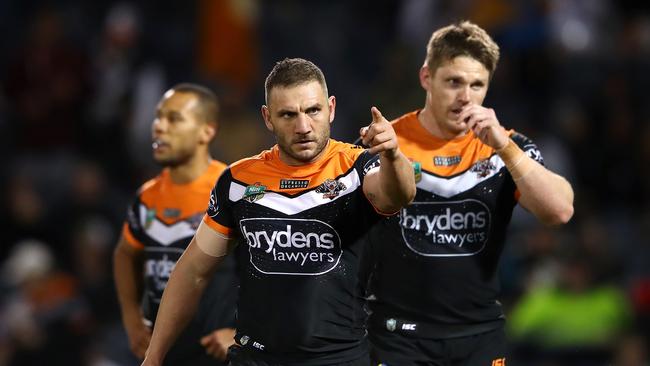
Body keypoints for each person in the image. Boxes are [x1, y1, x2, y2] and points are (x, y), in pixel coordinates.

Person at [141, 57, 416, 366]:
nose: (303, 127)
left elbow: (398, 195)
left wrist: (393, 154)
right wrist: (153, 358)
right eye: (288, 115)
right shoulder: (238, 181)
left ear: (332, 108)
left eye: (313, 110)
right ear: (268, 118)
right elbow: (192, 272)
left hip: (339, 360)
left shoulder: (359, 168)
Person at [362, 21, 575, 365]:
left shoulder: (506, 146)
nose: (466, 97)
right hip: (399, 336)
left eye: (478, 85)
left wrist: (505, 147)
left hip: (479, 336)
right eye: (454, 82)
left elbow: (560, 210)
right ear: (426, 77)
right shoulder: (389, 142)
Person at [113, 83, 238, 365]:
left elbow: (268, 270)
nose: (159, 127)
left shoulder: (233, 189)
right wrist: (132, 319)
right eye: (158, 117)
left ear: (207, 131)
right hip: (163, 353)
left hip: (216, 354)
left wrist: (241, 332)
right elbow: (124, 253)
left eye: (174, 119)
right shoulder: (147, 196)